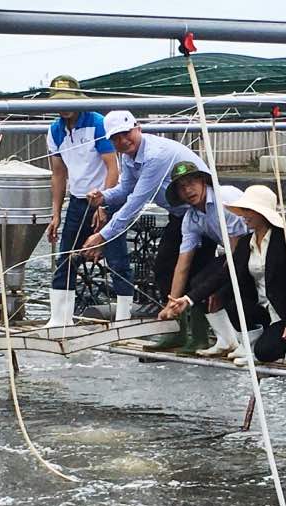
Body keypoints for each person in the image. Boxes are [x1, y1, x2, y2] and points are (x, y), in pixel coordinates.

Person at [81, 110, 215, 348]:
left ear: (138, 128)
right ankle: (176, 330)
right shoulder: (129, 158)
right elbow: (124, 191)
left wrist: (102, 235)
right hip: (180, 215)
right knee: (163, 267)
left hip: (204, 213)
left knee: (198, 274)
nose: (123, 141)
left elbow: (136, 203)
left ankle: (200, 337)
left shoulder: (155, 155)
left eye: (126, 134)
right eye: (116, 138)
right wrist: (103, 198)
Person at [164, 185, 286, 366]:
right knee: (228, 295)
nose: (244, 215)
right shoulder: (245, 243)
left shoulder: (285, 240)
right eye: (243, 210)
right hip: (262, 308)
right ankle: (249, 345)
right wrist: (188, 299)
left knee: (265, 352)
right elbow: (224, 275)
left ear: (262, 213)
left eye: (248, 211)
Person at [43, 75, 131, 327]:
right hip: (78, 199)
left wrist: (104, 203)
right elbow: (59, 173)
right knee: (66, 258)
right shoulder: (54, 130)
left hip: (106, 198)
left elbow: (112, 166)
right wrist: (56, 213)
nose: (64, 106)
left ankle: (123, 321)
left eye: (69, 100)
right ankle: (60, 318)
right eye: (58, 102)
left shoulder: (97, 123)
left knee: (116, 259)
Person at [156, 161, 248, 356]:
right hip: (235, 253)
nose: (188, 190)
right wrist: (171, 303)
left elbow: (237, 251)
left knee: (217, 287)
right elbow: (183, 263)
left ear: (202, 181)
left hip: (256, 248)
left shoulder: (225, 199)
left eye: (191, 183)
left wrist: (219, 287)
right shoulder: (191, 218)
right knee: (198, 282)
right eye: (182, 187)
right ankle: (226, 341)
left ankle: (247, 343)